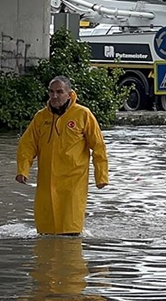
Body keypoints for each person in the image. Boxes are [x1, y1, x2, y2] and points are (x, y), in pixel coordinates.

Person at [16, 75, 109, 235]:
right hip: (47, 181)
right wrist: (22, 170)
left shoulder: (83, 115)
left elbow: (99, 147)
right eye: (51, 92)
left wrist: (101, 176)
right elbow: (27, 145)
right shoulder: (41, 117)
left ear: (69, 94)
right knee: (45, 231)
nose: (54, 96)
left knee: (70, 231)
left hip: (73, 182)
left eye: (59, 92)